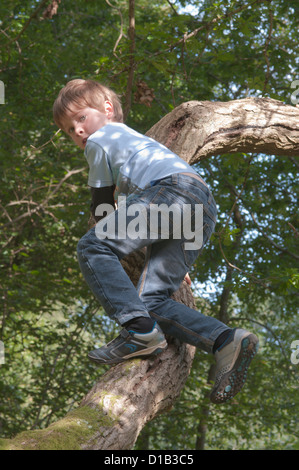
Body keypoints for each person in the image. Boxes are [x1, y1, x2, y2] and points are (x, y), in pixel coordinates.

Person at [53, 79, 259, 404]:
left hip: (170, 191)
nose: (77, 130)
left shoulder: (102, 138)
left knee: (93, 246)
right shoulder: (133, 145)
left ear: (107, 111)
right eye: (68, 129)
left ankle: (138, 331)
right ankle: (226, 339)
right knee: (152, 300)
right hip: (199, 203)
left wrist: (109, 221)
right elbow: (148, 218)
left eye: (81, 118)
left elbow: (102, 205)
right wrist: (172, 261)